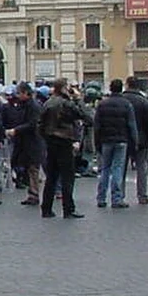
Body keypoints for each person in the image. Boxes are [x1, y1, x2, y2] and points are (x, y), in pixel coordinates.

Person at [38, 78, 92, 218]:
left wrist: (46, 137)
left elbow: (40, 124)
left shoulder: (48, 103)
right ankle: (69, 209)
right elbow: (87, 117)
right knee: (67, 177)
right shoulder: (66, 104)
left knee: (52, 177)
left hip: (51, 141)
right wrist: (78, 99)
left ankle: (46, 208)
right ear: (63, 88)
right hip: (64, 141)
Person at [93, 78, 137, 209]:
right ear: (121, 88)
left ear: (110, 88)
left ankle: (101, 198)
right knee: (117, 168)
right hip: (121, 139)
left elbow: (97, 126)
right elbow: (131, 125)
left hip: (106, 140)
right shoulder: (126, 104)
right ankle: (116, 198)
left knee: (104, 169)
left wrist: (97, 142)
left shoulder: (102, 104)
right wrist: (135, 141)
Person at [6, 82, 44, 206]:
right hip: (25, 141)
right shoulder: (24, 105)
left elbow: (33, 124)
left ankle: (34, 194)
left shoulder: (33, 106)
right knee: (29, 167)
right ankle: (32, 193)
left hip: (33, 142)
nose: (17, 95)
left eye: (19, 93)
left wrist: (16, 130)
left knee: (33, 168)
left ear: (26, 93)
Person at [122, 77, 148, 204]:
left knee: (121, 167)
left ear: (127, 85)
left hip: (122, 137)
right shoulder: (144, 102)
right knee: (141, 167)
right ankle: (142, 195)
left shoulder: (120, 100)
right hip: (142, 138)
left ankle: (119, 195)